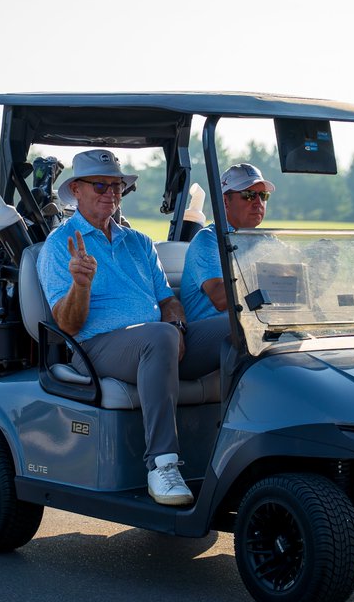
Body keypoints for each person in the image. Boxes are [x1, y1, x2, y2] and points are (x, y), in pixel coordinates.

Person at [38, 149, 227, 507]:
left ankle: (240, 445)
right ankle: (162, 464)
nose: (110, 193)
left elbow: (167, 301)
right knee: (159, 337)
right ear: (76, 190)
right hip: (93, 349)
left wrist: (177, 323)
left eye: (117, 186)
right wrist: (81, 285)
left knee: (238, 327)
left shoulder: (139, 242)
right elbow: (68, 324)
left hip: (159, 343)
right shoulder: (60, 246)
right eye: (100, 185)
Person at [181, 163, 275, 322]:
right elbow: (220, 300)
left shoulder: (267, 240)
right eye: (249, 194)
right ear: (225, 201)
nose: (258, 202)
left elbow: (299, 281)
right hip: (209, 327)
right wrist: (268, 271)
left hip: (251, 324)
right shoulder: (208, 240)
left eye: (263, 195)